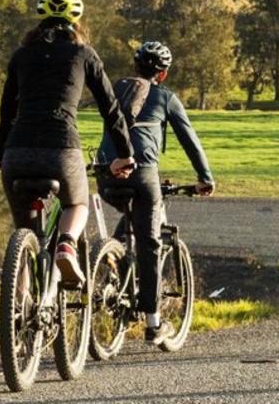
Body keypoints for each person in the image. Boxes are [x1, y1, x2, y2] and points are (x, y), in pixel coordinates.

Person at [0, 0, 134, 285]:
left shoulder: (21, 56)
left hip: (16, 153)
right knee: (77, 203)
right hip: (61, 149)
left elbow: (7, 110)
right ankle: (67, 245)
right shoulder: (83, 54)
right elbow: (110, 109)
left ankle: (20, 307)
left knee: (27, 239)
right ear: (76, 21)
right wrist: (125, 154)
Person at [97, 40, 215, 346]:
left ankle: (115, 262)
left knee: (127, 226)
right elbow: (190, 139)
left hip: (106, 174)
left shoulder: (116, 90)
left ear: (135, 68)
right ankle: (153, 323)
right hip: (142, 174)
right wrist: (205, 177)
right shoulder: (165, 97)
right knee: (149, 242)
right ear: (161, 75)